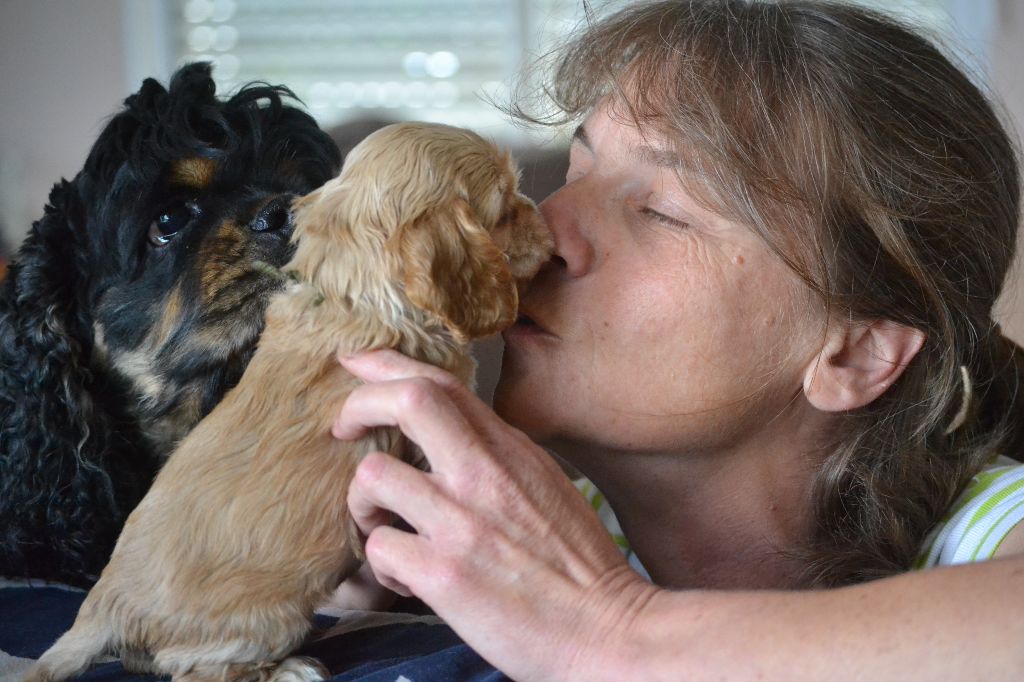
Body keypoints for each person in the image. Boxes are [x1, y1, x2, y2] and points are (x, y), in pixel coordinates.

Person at [330, 1, 1024, 678]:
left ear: (856, 354)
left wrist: (607, 630)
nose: (544, 231)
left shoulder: (985, 531)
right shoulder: (529, 543)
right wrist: (333, 604)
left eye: (662, 213)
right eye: (576, 174)